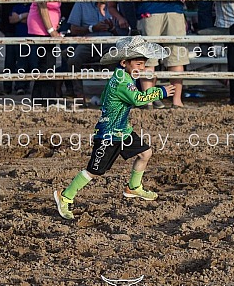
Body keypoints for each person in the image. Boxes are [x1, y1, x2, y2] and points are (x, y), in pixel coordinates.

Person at [54, 35, 175, 220]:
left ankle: (133, 187)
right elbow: (138, 99)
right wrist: (161, 91)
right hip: (109, 134)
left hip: (122, 131)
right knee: (94, 171)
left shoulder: (123, 76)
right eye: (138, 64)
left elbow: (107, 97)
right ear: (125, 62)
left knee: (145, 152)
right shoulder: (122, 81)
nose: (141, 68)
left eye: (143, 64)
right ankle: (65, 195)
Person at [27, 0, 67, 104]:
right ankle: (44, 100)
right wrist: (51, 30)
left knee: (46, 64)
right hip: (42, 28)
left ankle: (42, 99)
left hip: (41, 26)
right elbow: (42, 4)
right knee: (46, 65)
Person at [65, 0, 115, 101]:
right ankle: (79, 95)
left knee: (118, 59)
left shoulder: (114, 3)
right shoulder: (82, 3)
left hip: (109, 41)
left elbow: (124, 30)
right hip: (88, 41)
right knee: (73, 60)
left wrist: (112, 28)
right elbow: (73, 29)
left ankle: (113, 95)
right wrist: (92, 28)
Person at [8, 0, 32, 94]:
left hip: (32, 37)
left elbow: (32, 20)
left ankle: (27, 85)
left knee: (32, 62)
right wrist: (25, 15)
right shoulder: (16, 6)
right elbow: (12, 20)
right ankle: (20, 86)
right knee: (21, 62)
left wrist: (20, 17)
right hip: (20, 38)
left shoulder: (33, 6)